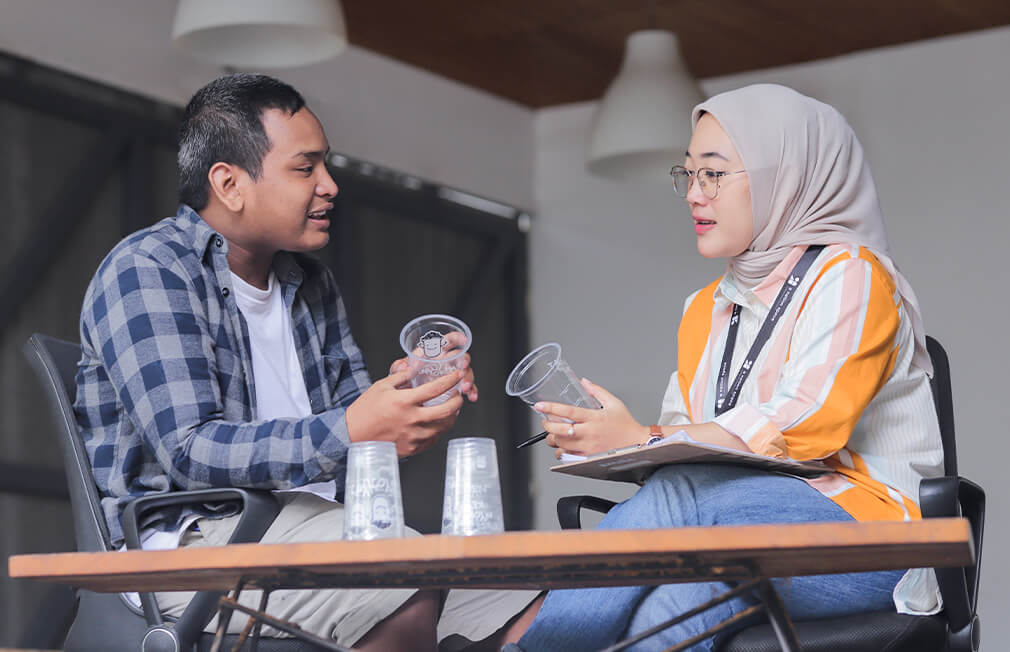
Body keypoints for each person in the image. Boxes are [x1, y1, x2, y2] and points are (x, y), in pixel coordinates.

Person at [74, 73, 539, 651]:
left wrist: (409, 396)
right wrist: (355, 428)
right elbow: (191, 452)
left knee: (520, 600)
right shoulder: (149, 270)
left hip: (324, 525)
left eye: (326, 165)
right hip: (192, 540)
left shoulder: (310, 284)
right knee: (402, 580)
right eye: (305, 168)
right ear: (229, 184)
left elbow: (355, 440)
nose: (330, 185)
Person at [508, 84, 945, 651]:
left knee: (685, 492)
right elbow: (686, 449)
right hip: (738, 538)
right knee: (675, 603)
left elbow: (805, 427)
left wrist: (643, 437)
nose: (694, 194)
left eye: (713, 174)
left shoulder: (851, 274)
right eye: (688, 174)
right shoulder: (704, 308)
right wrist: (612, 441)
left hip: (874, 542)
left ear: (784, 177)